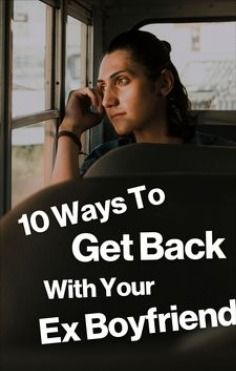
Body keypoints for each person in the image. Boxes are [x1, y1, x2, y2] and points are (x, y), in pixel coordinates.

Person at [51, 30, 233, 183]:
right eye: (103, 87)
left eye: (121, 81)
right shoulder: (104, 162)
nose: (107, 101)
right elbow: (62, 214)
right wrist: (70, 128)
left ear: (164, 83)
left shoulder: (221, 157)